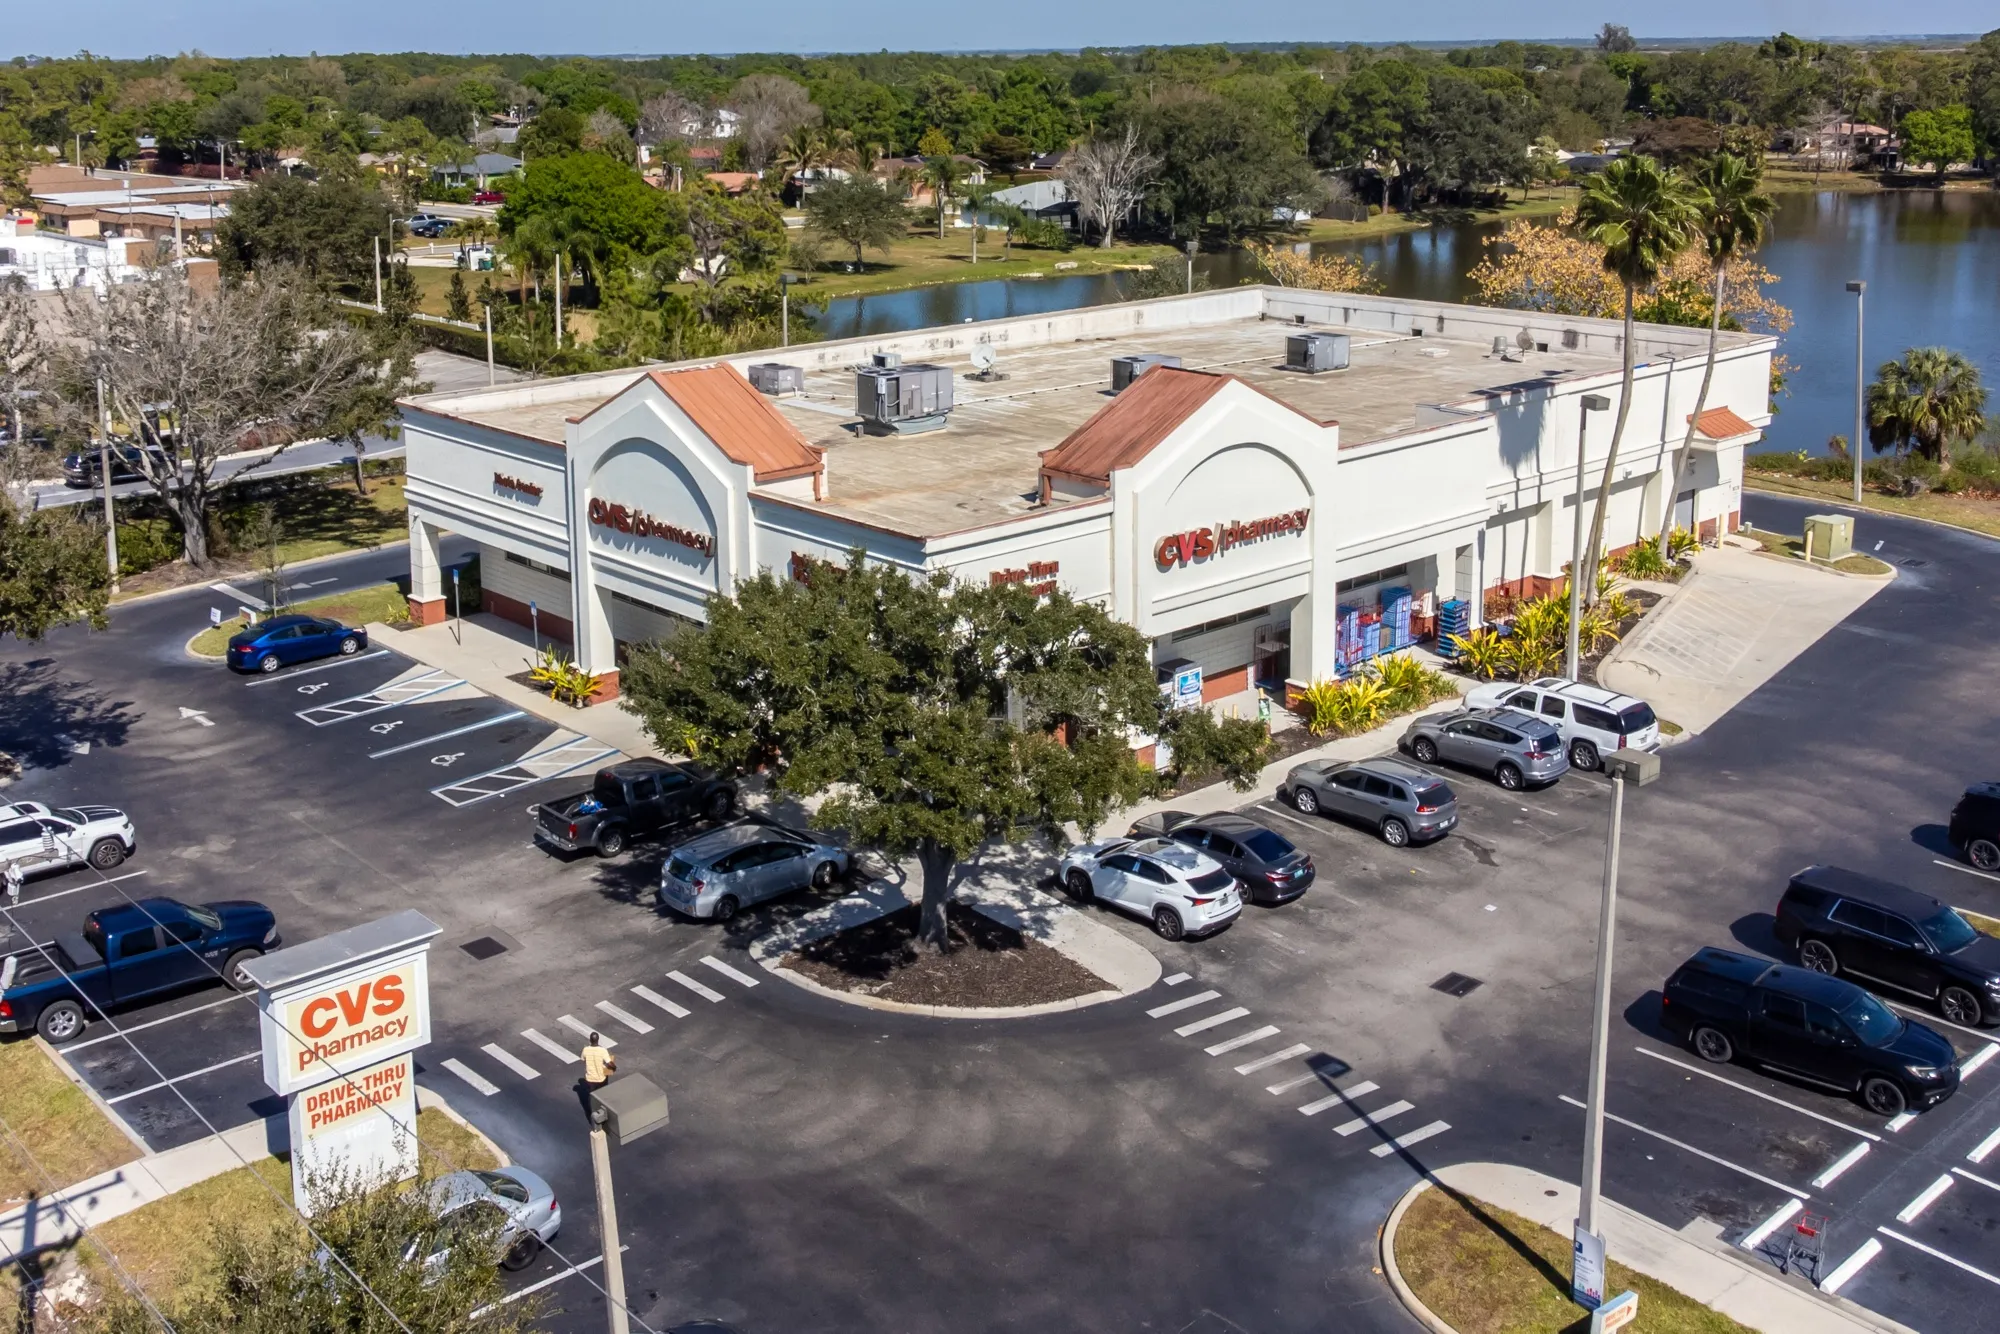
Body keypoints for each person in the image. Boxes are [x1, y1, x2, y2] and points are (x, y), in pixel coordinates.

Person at [578, 1031, 616, 1117]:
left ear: (590, 1040)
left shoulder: (585, 1050)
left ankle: (594, 1113)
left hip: (590, 1079)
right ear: (598, 1040)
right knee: (603, 1094)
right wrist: (614, 1067)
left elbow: (583, 1059)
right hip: (601, 1078)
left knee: (592, 1097)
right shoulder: (602, 1050)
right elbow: (609, 1063)